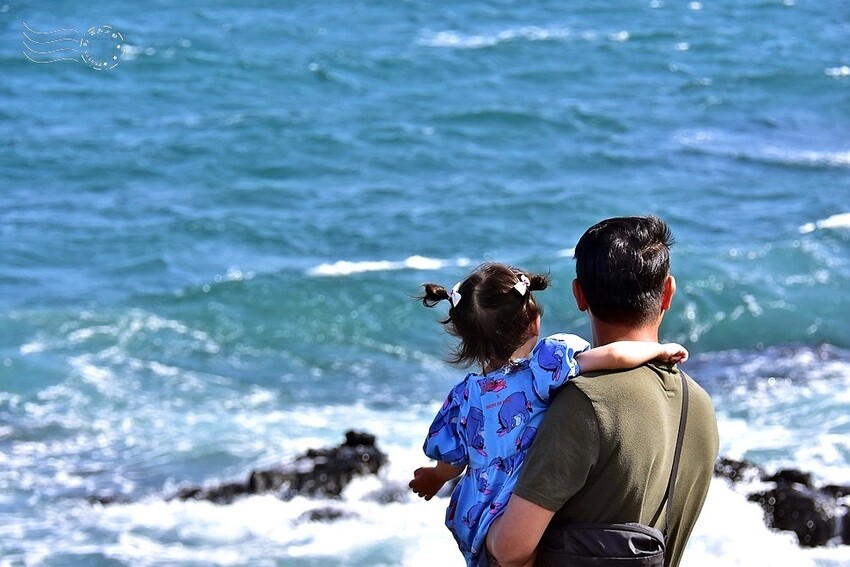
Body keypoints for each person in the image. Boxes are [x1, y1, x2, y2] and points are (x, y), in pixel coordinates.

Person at [409, 261, 689, 567]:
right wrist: (659, 351)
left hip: (475, 512)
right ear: (533, 323)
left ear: (466, 339)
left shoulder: (462, 397)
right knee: (521, 553)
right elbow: (615, 355)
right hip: (514, 504)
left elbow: (452, 461)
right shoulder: (544, 367)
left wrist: (434, 477)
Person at [485, 216, 720, 567]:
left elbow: (511, 549)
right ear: (667, 292)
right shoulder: (699, 404)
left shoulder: (585, 401)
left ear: (579, 294)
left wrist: (470, 509)